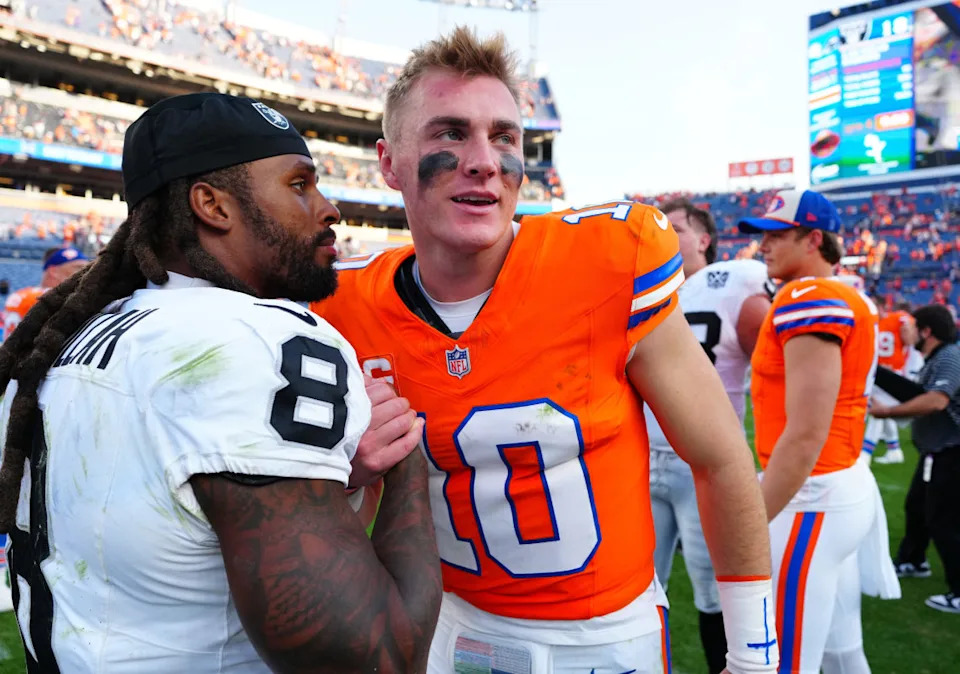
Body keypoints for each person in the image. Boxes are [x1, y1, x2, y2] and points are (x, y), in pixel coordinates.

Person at [314, 27, 777, 674]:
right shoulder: (342, 306)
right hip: (448, 625)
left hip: (606, 638)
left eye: (504, 137)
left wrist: (754, 656)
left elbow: (722, 458)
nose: (484, 161)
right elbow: (310, 520)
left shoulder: (605, 264)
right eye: (450, 133)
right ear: (388, 162)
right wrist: (350, 472)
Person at [0, 92, 441, 672]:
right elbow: (381, 655)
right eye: (299, 185)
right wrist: (407, 454)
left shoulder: (63, 339)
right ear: (212, 205)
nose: (329, 209)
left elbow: (168, 527)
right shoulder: (252, 339)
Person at [739, 189, 899, 674]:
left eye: (777, 235)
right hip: (839, 483)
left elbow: (806, 433)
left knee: (786, 662)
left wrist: (749, 522)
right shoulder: (847, 294)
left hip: (813, 495)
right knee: (841, 653)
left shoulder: (810, 295)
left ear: (813, 239)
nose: (763, 246)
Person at [643, 198, 771, 674]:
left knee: (715, 589)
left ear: (705, 240)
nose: (667, 236)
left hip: (703, 461)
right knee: (640, 586)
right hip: (641, 455)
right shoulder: (647, 287)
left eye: (677, 229)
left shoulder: (738, 280)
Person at [871, 304, 960, 614]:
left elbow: (935, 400)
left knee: (943, 519)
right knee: (917, 507)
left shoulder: (949, 356)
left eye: (909, 326)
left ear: (926, 331)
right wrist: (874, 373)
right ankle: (913, 559)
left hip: (951, 451)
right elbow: (915, 392)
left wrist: (886, 412)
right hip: (938, 450)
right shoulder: (937, 357)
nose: (903, 331)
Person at [864, 303, 920, 465]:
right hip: (879, 372)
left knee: (878, 409)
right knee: (884, 411)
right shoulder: (874, 323)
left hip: (896, 372)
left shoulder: (898, 318)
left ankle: (865, 453)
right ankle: (894, 450)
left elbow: (910, 335)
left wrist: (907, 332)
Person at [2, 247, 91, 340]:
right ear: (53, 271)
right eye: (78, 268)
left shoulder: (22, 295)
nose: (86, 272)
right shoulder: (49, 298)